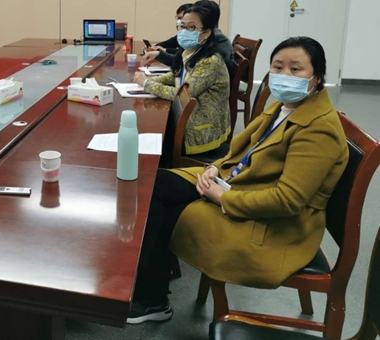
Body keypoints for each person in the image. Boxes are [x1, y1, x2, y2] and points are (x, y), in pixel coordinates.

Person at [127, 37, 349, 324]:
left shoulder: (318, 129)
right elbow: (242, 153)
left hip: (277, 226)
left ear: (317, 78)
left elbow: (287, 201)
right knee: (154, 185)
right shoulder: (285, 107)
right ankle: (151, 287)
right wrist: (215, 169)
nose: (284, 75)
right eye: (278, 67)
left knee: (166, 207)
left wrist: (222, 197)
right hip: (238, 182)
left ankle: (151, 297)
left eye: (296, 69)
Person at [134, 3, 231, 155]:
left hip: (201, 132)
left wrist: (147, 83)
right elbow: (176, 75)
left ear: (206, 33)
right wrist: (151, 80)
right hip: (188, 117)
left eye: (191, 27)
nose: (184, 32)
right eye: (182, 26)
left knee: (149, 133)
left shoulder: (210, 62)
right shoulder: (191, 51)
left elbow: (182, 95)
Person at [144, 0, 235, 75]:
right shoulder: (197, 37)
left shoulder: (216, 45)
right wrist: (159, 52)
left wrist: (146, 83)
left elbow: (190, 83)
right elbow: (182, 59)